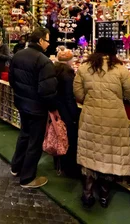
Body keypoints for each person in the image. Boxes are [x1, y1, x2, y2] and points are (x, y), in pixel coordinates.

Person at [73, 37, 130, 208]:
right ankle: (104, 194)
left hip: (90, 116)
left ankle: (87, 193)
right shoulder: (120, 69)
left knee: (90, 152)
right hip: (115, 119)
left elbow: (78, 94)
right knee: (109, 154)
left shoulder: (83, 68)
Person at [9, 28, 57, 189]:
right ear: (40, 41)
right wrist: (52, 107)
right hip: (37, 107)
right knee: (34, 142)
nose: (49, 44)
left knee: (24, 135)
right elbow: (47, 90)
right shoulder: (43, 60)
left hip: (22, 103)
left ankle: (16, 167)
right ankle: (27, 178)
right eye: (48, 40)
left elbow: (12, 80)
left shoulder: (18, 55)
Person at [52, 47, 80, 178]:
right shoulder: (68, 74)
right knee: (69, 138)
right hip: (66, 110)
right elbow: (69, 97)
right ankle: (70, 168)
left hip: (56, 108)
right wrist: (74, 114)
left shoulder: (53, 69)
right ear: (69, 60)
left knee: (59, 135)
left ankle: (58, 163)